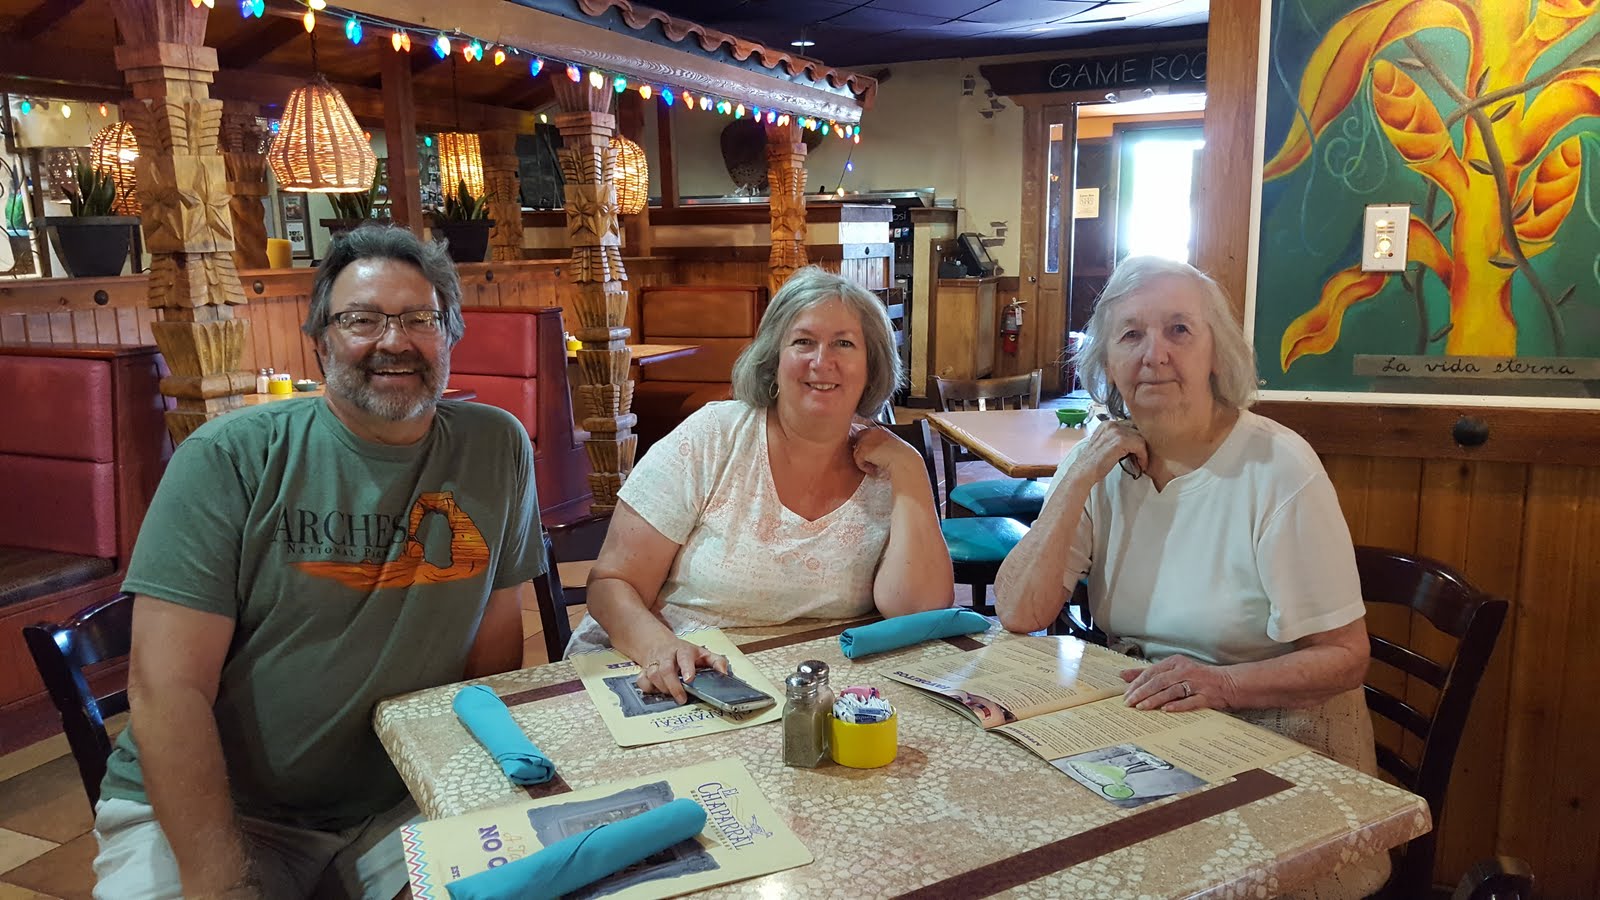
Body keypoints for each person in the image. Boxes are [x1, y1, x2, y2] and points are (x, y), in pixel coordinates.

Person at [92, 226, 543, 899]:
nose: (394, 341)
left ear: (449, 337)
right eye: (361, 320)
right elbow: (166, 689)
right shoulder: (228, 458)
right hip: (219, 811)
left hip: (402, 798)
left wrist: (472, 791)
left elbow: (494, 639)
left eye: (420, 319)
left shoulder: (496, 445)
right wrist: (221, 884)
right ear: (319, 343)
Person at [995, 256, 1385, 898]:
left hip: (1277, 728)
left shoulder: (1278, 467)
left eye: (1179, 330)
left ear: (1215, 355)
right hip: (1148, 727)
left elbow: (1345, 658)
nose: (1155, 354)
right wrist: (1077, 480)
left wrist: (1223, 684)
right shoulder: (1102, 458)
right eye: (1131, 335)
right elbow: (1019, 613)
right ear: (1107, 364)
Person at [571, 266, 954, 700]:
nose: (821, 361)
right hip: (671, 674)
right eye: (803, 342)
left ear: (872, 366)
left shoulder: (888, 468)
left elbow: (917, 613)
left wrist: (910, 470)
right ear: (773, 359)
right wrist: (659, 647)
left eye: (844, 343)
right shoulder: (713, 436)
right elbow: (611, 583)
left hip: (809, 690)